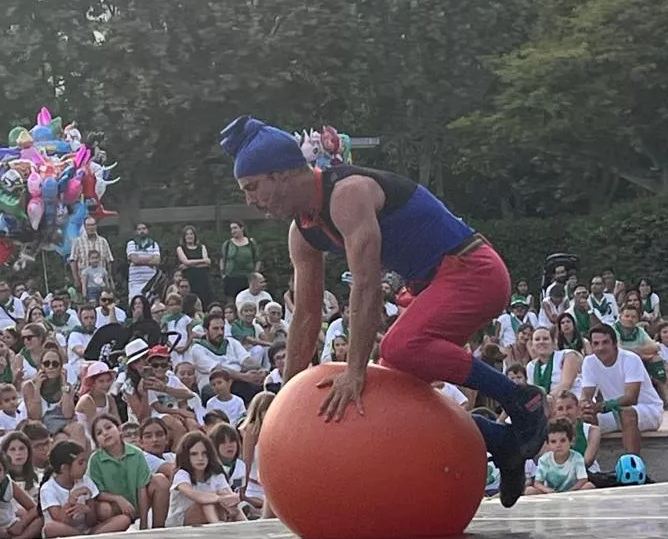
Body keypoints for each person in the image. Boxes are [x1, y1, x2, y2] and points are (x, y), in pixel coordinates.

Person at [221, 117, 544, 507]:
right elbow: (305, 315)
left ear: (283, 174)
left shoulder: (348, 193)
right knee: (393, 387)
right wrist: (288, 392)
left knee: (398, 349)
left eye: (253, 187)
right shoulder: (301, 232)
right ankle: (499, 441)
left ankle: (520, 399)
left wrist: (355, 371)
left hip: (474, 272)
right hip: (438, 284)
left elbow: (367, 286)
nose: (250, 201)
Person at [578, 325, 665, 460]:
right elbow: (586, 395)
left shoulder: (631, 358)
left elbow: (631, 398)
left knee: (626, 412)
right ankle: (591, 465)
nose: (600, 347)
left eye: (605, 342)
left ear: (615, 344)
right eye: (596, 343)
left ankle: (633, 466)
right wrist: (585, 405)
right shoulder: (589, 362)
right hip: (613, 411)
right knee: (587, 416)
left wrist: (602, 406)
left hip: (648, 409)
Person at [525, 419, 594, 494]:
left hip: (573, 492)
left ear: (571, 441)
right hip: (550, 494)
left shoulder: (577, 457)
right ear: (548, 444)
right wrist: (548, 490)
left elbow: (583, 480)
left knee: (589, 486)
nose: (558, 445)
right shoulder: (544, 460)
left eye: (563, 440)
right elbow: (537, 483)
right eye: (553, 442)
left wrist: (571, 491)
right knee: (529, 490)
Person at [69, 215, 113, 294]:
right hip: (85, 283)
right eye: (88, 225)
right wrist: (76, 279)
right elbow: (73, 261)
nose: (91, 227)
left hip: (101, 283)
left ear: (96, 226)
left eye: (93, 225)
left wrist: (109, 278)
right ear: (85, 227)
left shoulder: (103, 241)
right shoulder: (78, 242)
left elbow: (109, 260)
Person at [219, 221, 260, 299]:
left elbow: (257, 260)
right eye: (231, 229)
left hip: (248, 278)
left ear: (242, 228)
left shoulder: (251, 243)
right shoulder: (227, 244)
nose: (233, 231)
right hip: (231, 278)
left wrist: (255, 274)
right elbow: (222, 259)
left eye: (235, 228)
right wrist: (223, 274)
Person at [124, 222, 160, 301]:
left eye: (144, 229)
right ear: (136, 231)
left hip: (150, 281)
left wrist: (140, 258)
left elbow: (157, 260)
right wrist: (150, 258)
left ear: (147, 230)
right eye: (139, 229)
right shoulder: (131, 244)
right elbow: (135, 259)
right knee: (135, 303)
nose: (142, 231)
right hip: (135, 282)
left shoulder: (154, 244)